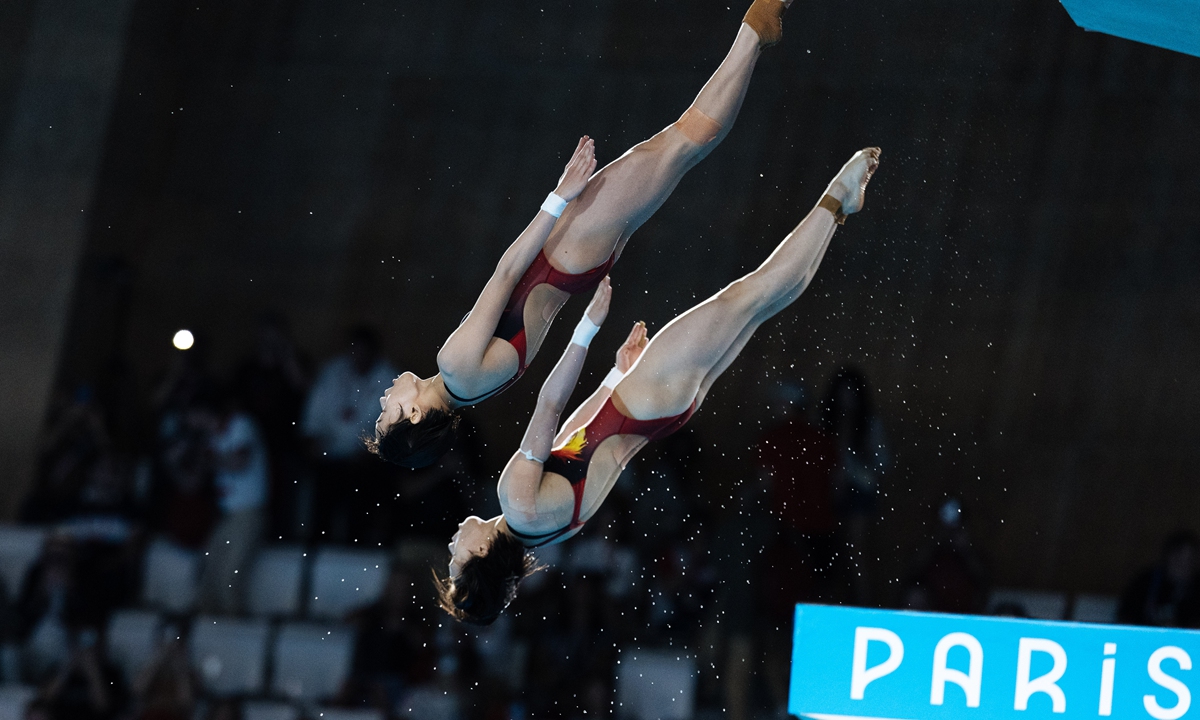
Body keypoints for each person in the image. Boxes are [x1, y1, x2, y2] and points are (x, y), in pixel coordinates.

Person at [437, 147, 882, 625]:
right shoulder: (514, 500)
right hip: (643, 398)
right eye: (456, 559)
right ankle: (836, 198)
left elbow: (580, 441)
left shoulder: (542, 533)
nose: (451, 547)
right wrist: (585, 332)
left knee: (757, 303)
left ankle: (838, 209)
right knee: (752, 294)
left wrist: (614, 375)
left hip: (656, 413)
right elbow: (550, 407)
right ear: (482, 550)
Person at [371, 0, 798, 469]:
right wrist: (558, 199)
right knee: (682, 142)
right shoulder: (454, 366)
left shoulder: (470, 391)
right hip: (565, 253)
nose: (384, 398)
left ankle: (757, 35)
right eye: (384, 415)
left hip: (576, 267)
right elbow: (506, 273)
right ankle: (757, 26)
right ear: (413, 415)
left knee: (683, 149)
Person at [1118, 530, 1200, 627]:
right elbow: (1125, 618)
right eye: (1179, 559)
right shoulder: (1145, 582)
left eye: (1190, 560)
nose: (1184, 565)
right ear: (1168, 556)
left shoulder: (1196, 587)